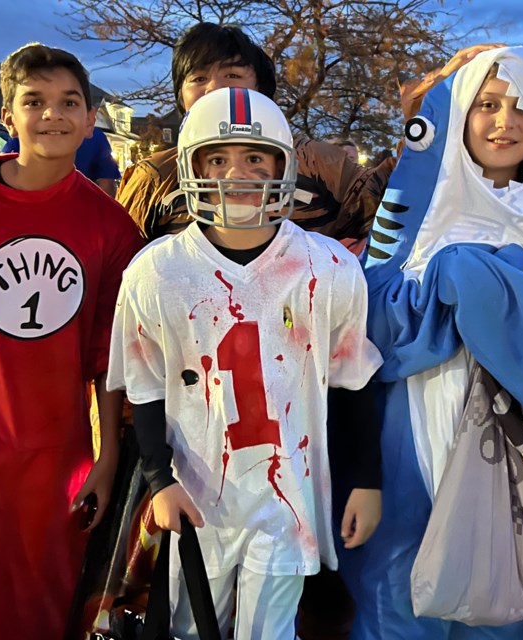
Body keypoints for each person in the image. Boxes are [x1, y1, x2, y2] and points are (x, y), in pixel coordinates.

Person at [106, 86, 384, 640]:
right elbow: (145, 389)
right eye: (217, 157)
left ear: (283, 164)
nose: (236, 172)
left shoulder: (328, 267)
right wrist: (160, 479)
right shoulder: (155, 270)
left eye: (255, 157)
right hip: (197, 490)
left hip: (288, 498)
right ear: (192, 166)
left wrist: (365, 479)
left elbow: (352, 386)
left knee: (270, 632)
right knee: (188, 629)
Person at [340, 46, 523, 640]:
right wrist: (493, 286)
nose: (504, 121)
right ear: (460, 112)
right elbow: (373, 330)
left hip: (511, 456)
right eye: (487, 104)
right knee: (397, 604)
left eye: (522, 108)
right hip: (410, 446)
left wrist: (470, 280)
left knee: (496, 605)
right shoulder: (419, 209)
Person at [0, 42, 144, 640]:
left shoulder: (109, 226)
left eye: (69, 102)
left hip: (52, 461)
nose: (53, 114)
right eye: (35, 101)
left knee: (33, 616)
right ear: (8, 117)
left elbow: (109, 357)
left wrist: (107, 457)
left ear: (90, 119)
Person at [115, 22, 396, 256]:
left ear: (260, 88)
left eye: (232, 74)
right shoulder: (153, 178)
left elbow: (389, 209)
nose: (215, 88)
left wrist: (424, 134)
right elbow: (122, 266)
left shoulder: (316, 162)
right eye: (198, 78)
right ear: (180, 95)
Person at [3, 125, 121, 196]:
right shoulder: (95, 136)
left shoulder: (25, 134)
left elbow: (2, 170)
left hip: (29, 212)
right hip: (79, 217)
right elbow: (107, 185)